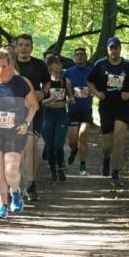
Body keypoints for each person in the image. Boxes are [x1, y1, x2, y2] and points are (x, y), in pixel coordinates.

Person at [0, 49, 39, 218]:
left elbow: (34, 106)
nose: (1, 70)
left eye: (4, 66)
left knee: (10, 169)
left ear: (10, 64)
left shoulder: (20, 83)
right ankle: (3, 205)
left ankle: (15, 191)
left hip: (15, 132)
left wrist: (26, 123)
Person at [88, 36, 129, 188]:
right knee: (107, 146)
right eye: (111, 48)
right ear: (107, 49)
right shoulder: (100, 64)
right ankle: (106, 158)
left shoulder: (128, 66)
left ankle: (116, 173)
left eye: (116, 48)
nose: (114, 50)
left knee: (119, 139)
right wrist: (98, 94)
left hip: (122, 106)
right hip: (106, 106)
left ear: (120, 49)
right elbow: (90, 82)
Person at [13, 34, 50, 202]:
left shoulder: (39, 65)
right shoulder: (11, 64)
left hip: (34, 111)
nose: (24, 48)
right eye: (21, 44)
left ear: (32, 47)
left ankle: (31, 183)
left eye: (27, 45)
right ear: (16, 47)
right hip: (15, 112)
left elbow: (47, 82)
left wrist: (43, 92)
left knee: (33, 146)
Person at [41, 55, 74, 183]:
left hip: (61, 114)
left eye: (60, 70)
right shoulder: (44, 83)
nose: (58, 72)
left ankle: (61, 168)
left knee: (58, 145)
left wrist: (71, 99)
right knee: (50, 145)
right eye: (55, 70)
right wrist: (49, 99)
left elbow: (70, 97)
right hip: (47, 113)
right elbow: (38, 102)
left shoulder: (66, 81)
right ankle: (53, 172)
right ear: (49, 69)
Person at [64, 47, 94, 176]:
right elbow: (62, 89)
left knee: (83, 135)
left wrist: (93, 91)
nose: (80, 57)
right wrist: (68, 97)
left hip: (86, 109)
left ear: (86, 57)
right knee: (72, 140)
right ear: (74, 58)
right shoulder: (68, 72)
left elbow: (97, 86)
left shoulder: (91, 72)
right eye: (77, 55)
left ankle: (82, 165)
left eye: (82, 55)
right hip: (73, 110)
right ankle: (74, 150)